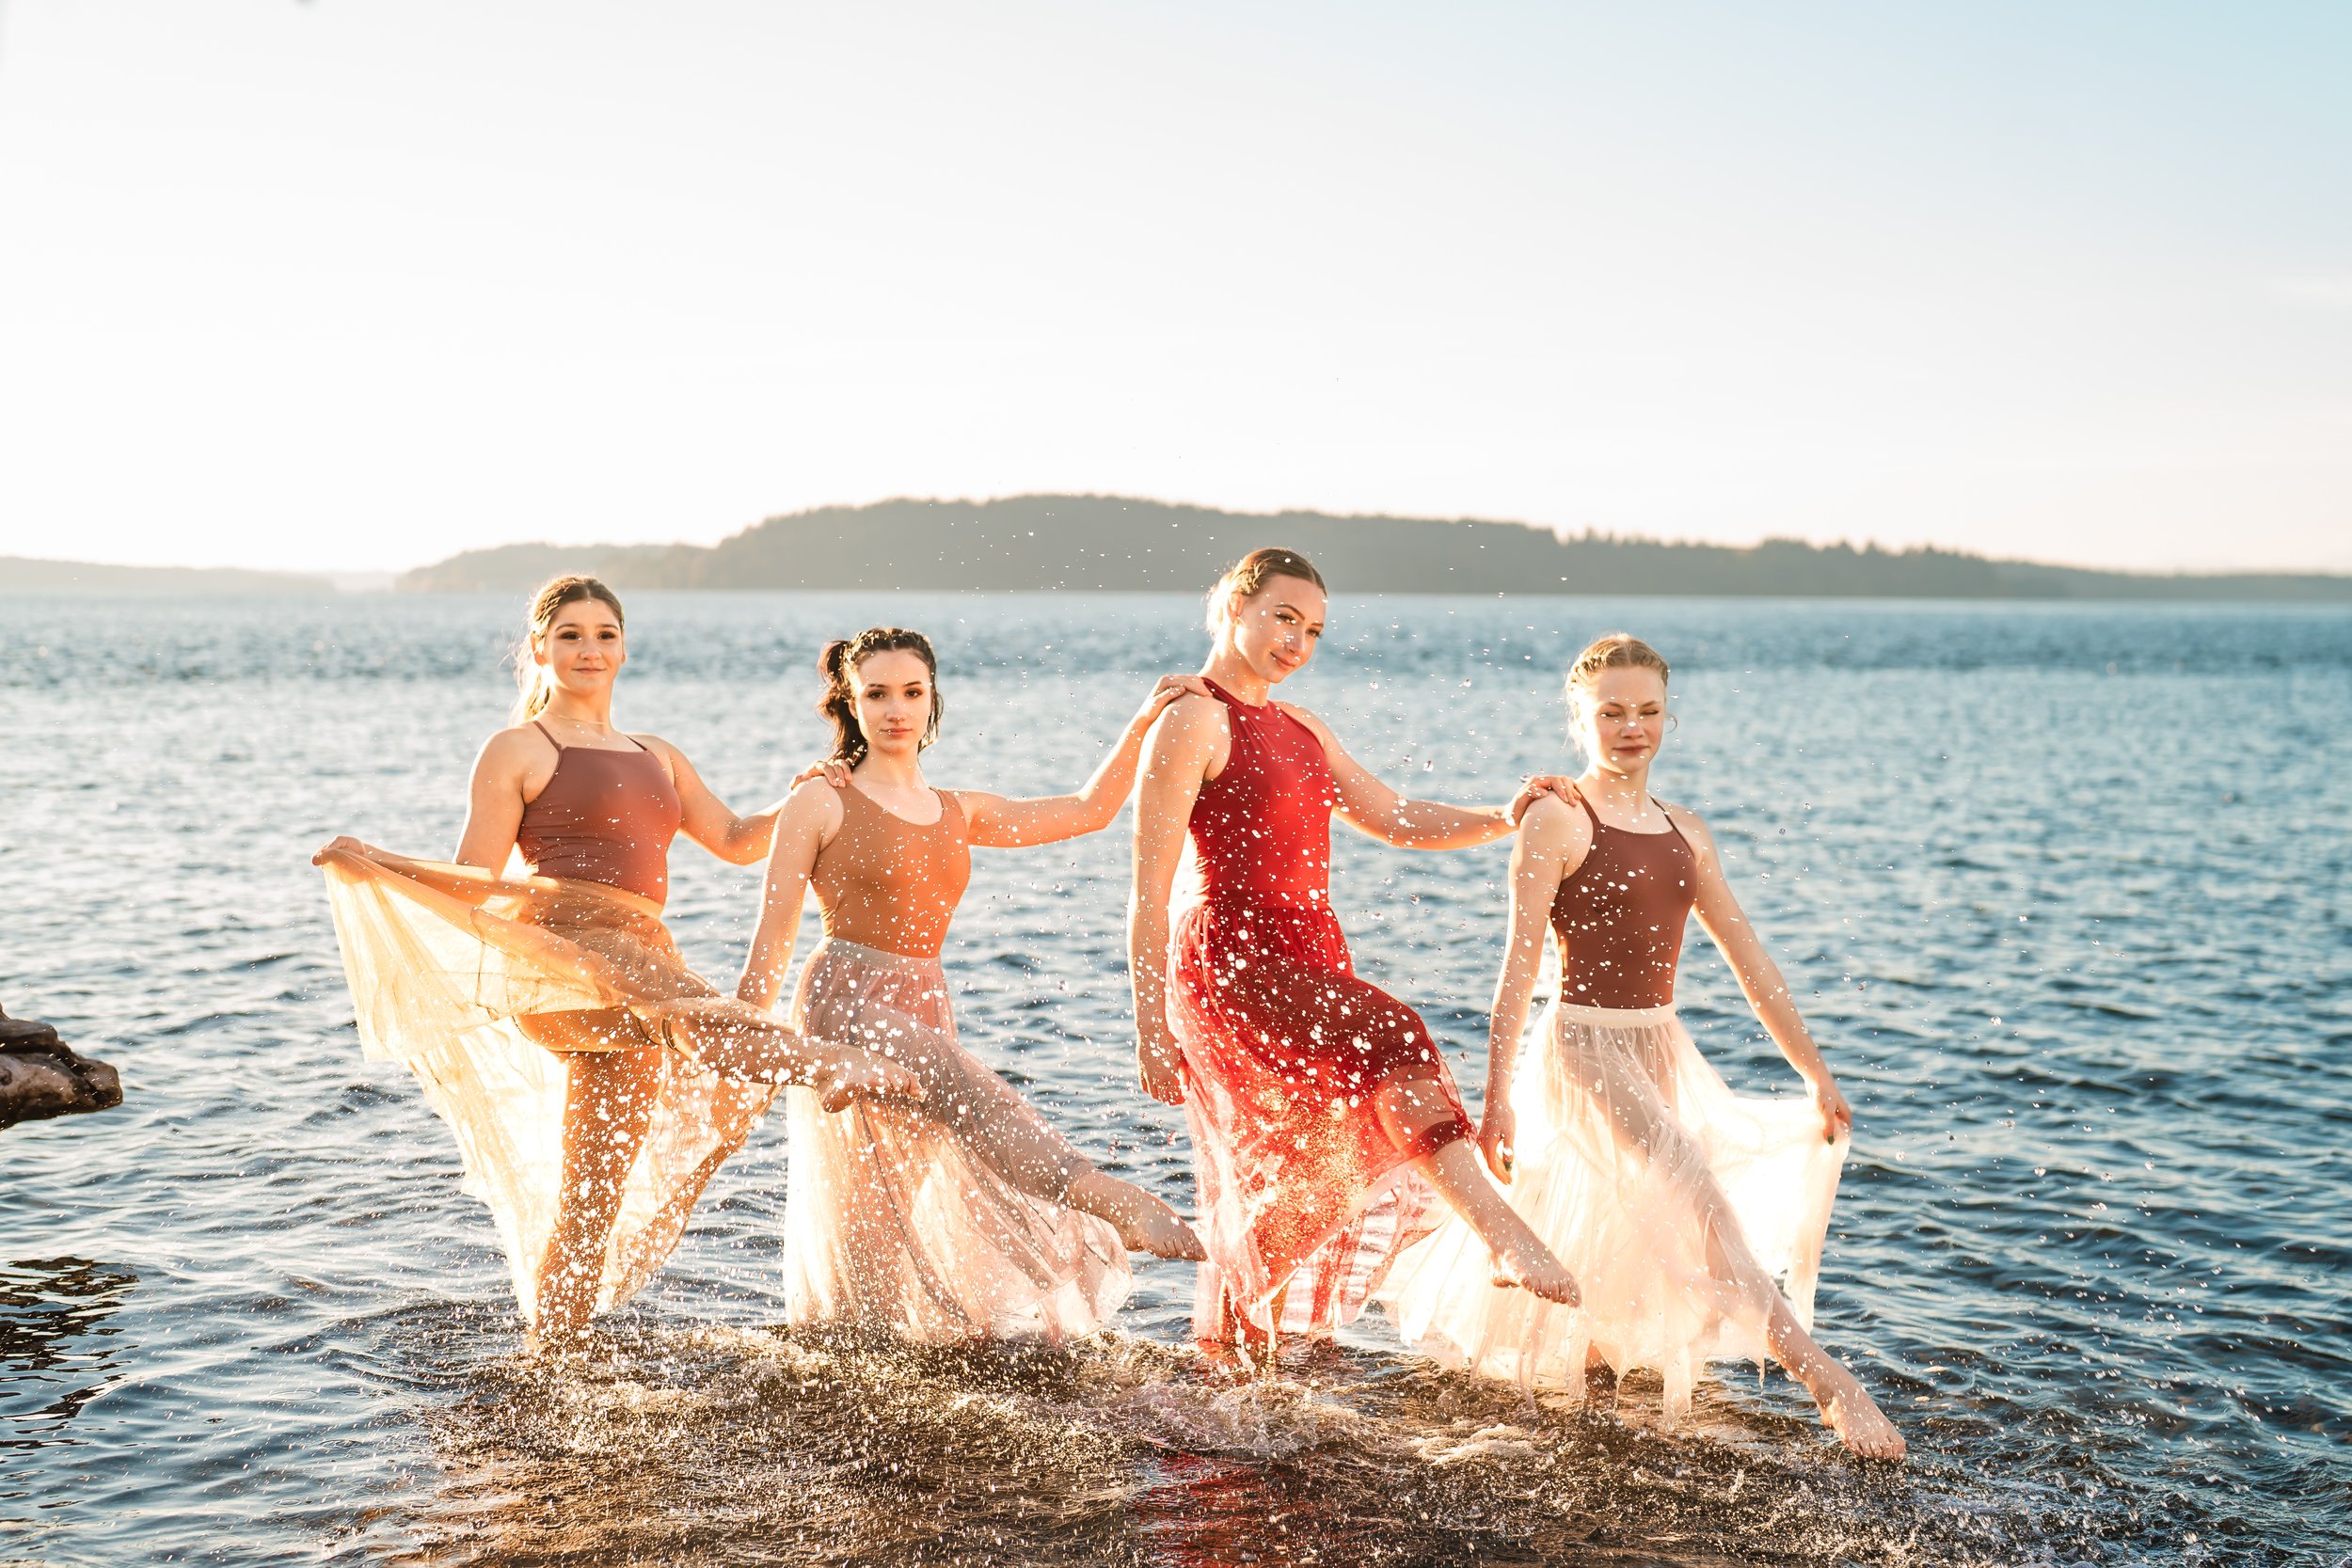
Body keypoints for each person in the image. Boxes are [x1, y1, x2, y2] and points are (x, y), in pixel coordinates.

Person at [315, 577, 918, 1344]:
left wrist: (807, 790)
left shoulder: (656, 754)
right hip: (567, 957)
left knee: (592, 1191)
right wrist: (380, 859)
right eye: (569, 635)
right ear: (539, 649)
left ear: (624, 648)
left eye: (603, 634)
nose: (588, 649)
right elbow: (476, 878)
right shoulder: (520, 748)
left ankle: (555, 1346)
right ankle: (822, 1060)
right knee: (697, 1015)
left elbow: (735, 840)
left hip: (641, 957)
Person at [1378, 633, 1906, 1460]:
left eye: (1649, 711)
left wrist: (1816, 1072)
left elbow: (1750, 960)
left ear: (1668, 714)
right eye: (1612, 712)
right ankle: (1826, 1379)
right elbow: (1516, 968)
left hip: (1661, 1044)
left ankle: (1582, 1400)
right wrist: (1497, 1096)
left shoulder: (1685, 831)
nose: (1633, 727)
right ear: (1579, 719)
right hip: (1581, 1044)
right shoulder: (1557, 819)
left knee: (1625, 1222)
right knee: (1692, 1188)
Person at [1127, 547, 1581, 1352]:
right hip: (1234, 958)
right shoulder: (1192, 717)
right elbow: (1148, 891)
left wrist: (1506, 813)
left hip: (1311, 950)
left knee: (1325, 1160)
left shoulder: (1304, 728)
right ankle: (1505, 1238)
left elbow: (1397, 816)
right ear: (1236, 605)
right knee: (1398, 1036)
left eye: (1313, 630)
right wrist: (1151, 1028)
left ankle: (1228, 1343)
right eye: (1283, 618)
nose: (1296, 642)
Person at [737, 628, 1207, 1341]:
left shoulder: (959, 809)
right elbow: (771, 943)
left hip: (926, 998)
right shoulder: (820, 800)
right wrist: (741, 1040)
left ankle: (856, 1352)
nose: (897, 709)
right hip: (846, 1002)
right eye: (877, 693)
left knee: (895, 1204)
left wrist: (1142, 722)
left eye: (912, 692)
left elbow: (1088, 810)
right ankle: (1101, 1192)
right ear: (849, 703)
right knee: (960, 1089)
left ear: (933, 700)